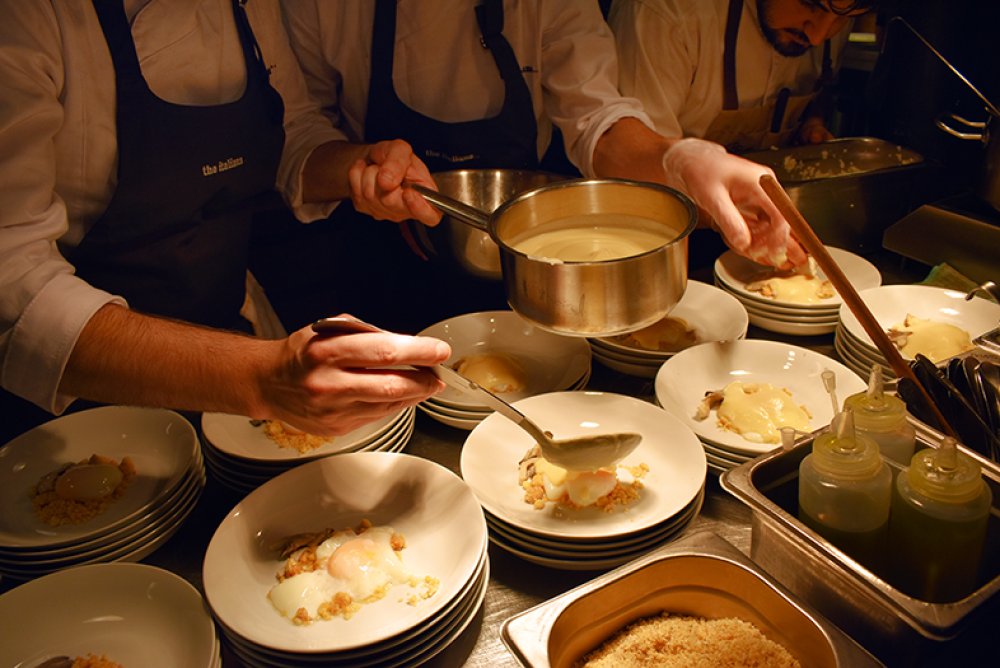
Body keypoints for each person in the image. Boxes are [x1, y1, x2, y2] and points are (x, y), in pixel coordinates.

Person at [0, 0, 453, 445]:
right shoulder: (28, 17)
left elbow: (291, 131)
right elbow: (14, 285)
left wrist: (358, 169)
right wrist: (263, 378)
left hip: (234, 338)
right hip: (79, 403)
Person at [268, 0, 807, 334]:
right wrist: (357, 167)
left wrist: (676, 157)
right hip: (381, 268)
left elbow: (595, 116)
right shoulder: (323, 5)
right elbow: (297, 136)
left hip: (534, 281)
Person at [608, 0, 885, 153]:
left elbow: (820, 91)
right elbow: (640, 163)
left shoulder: (834, 20)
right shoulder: (668, 13)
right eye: (809, 3)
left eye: (841, 19)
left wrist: (812, 122)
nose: (818, 35)